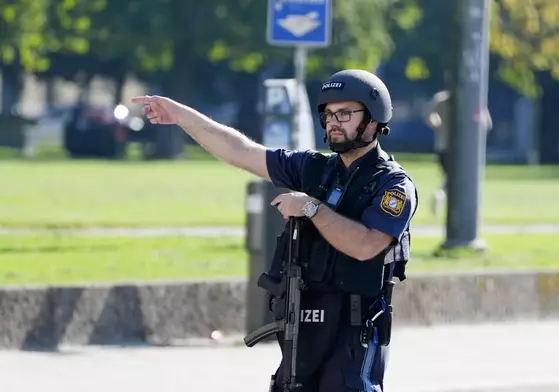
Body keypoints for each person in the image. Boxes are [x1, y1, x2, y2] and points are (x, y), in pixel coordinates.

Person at [131, 69, 418, 392]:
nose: (333, 122)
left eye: (345, 113)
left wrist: (311, 208)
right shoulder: (313, 168)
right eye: (328, 114)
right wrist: (181, 116)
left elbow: (366, 245)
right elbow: (241, 151)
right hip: (304, 325)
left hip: (354, 332)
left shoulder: (393, 186)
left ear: (374, 119)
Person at [426, 89, 492, 215]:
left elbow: (428, 115)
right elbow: (486, 124)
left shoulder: (441, 99)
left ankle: (443, 196)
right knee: (459, 179)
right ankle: (444, 197)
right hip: (465, 148)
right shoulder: (474, 100)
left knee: (452, 178)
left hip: (443, 146)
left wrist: (438, 125)